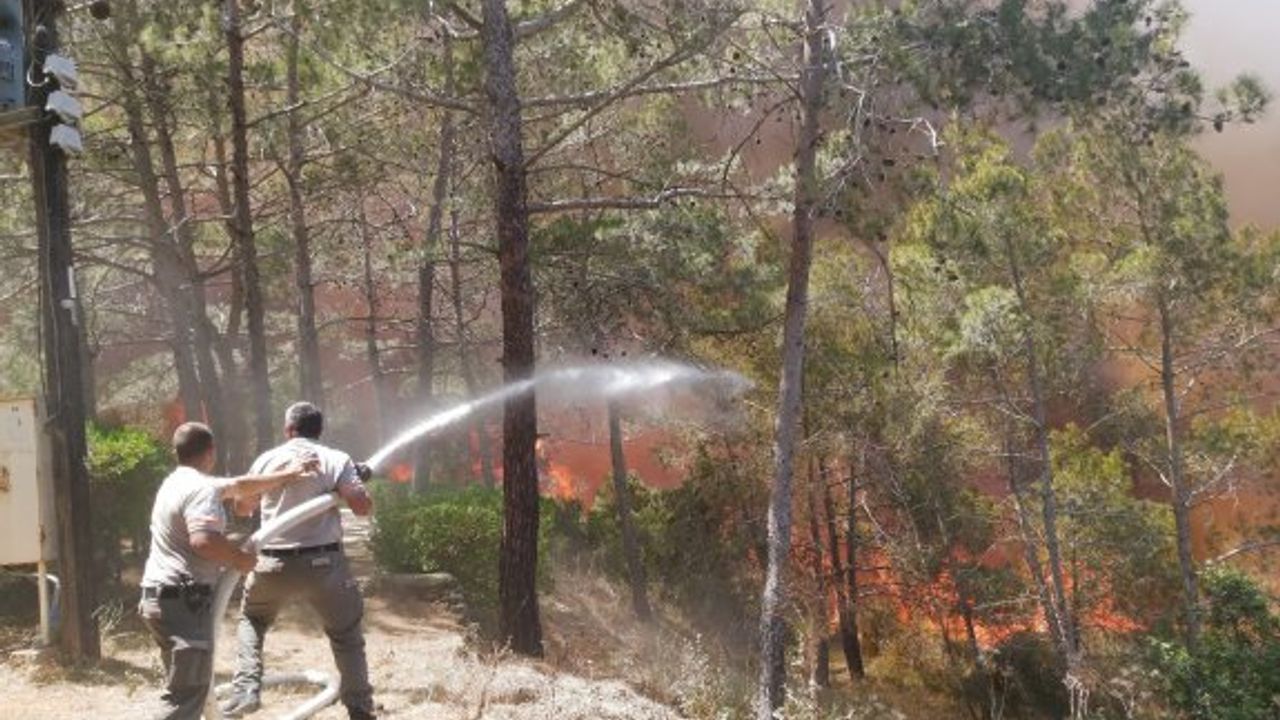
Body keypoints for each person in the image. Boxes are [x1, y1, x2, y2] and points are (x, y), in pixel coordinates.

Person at [139, 421, 318, 720]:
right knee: (186, 696)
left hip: (157, 598)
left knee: (186, 686)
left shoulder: (175, 483)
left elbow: (239, 485)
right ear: (211, 453)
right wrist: (239, 559)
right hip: (182, 599)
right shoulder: (200, 489)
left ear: (177, 453)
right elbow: (203, 540)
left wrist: (289, 475)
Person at [221, 402, 377, 720]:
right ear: (319, 430)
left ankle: (246, 691)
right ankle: (360, 709)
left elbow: (241, 508)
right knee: (346, 635)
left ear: (288, 429)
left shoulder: (267, 459)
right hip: (324, 566)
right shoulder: (335, 458)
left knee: (252, 621)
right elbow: (361, 507)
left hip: (271, 565)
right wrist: (350, 484)